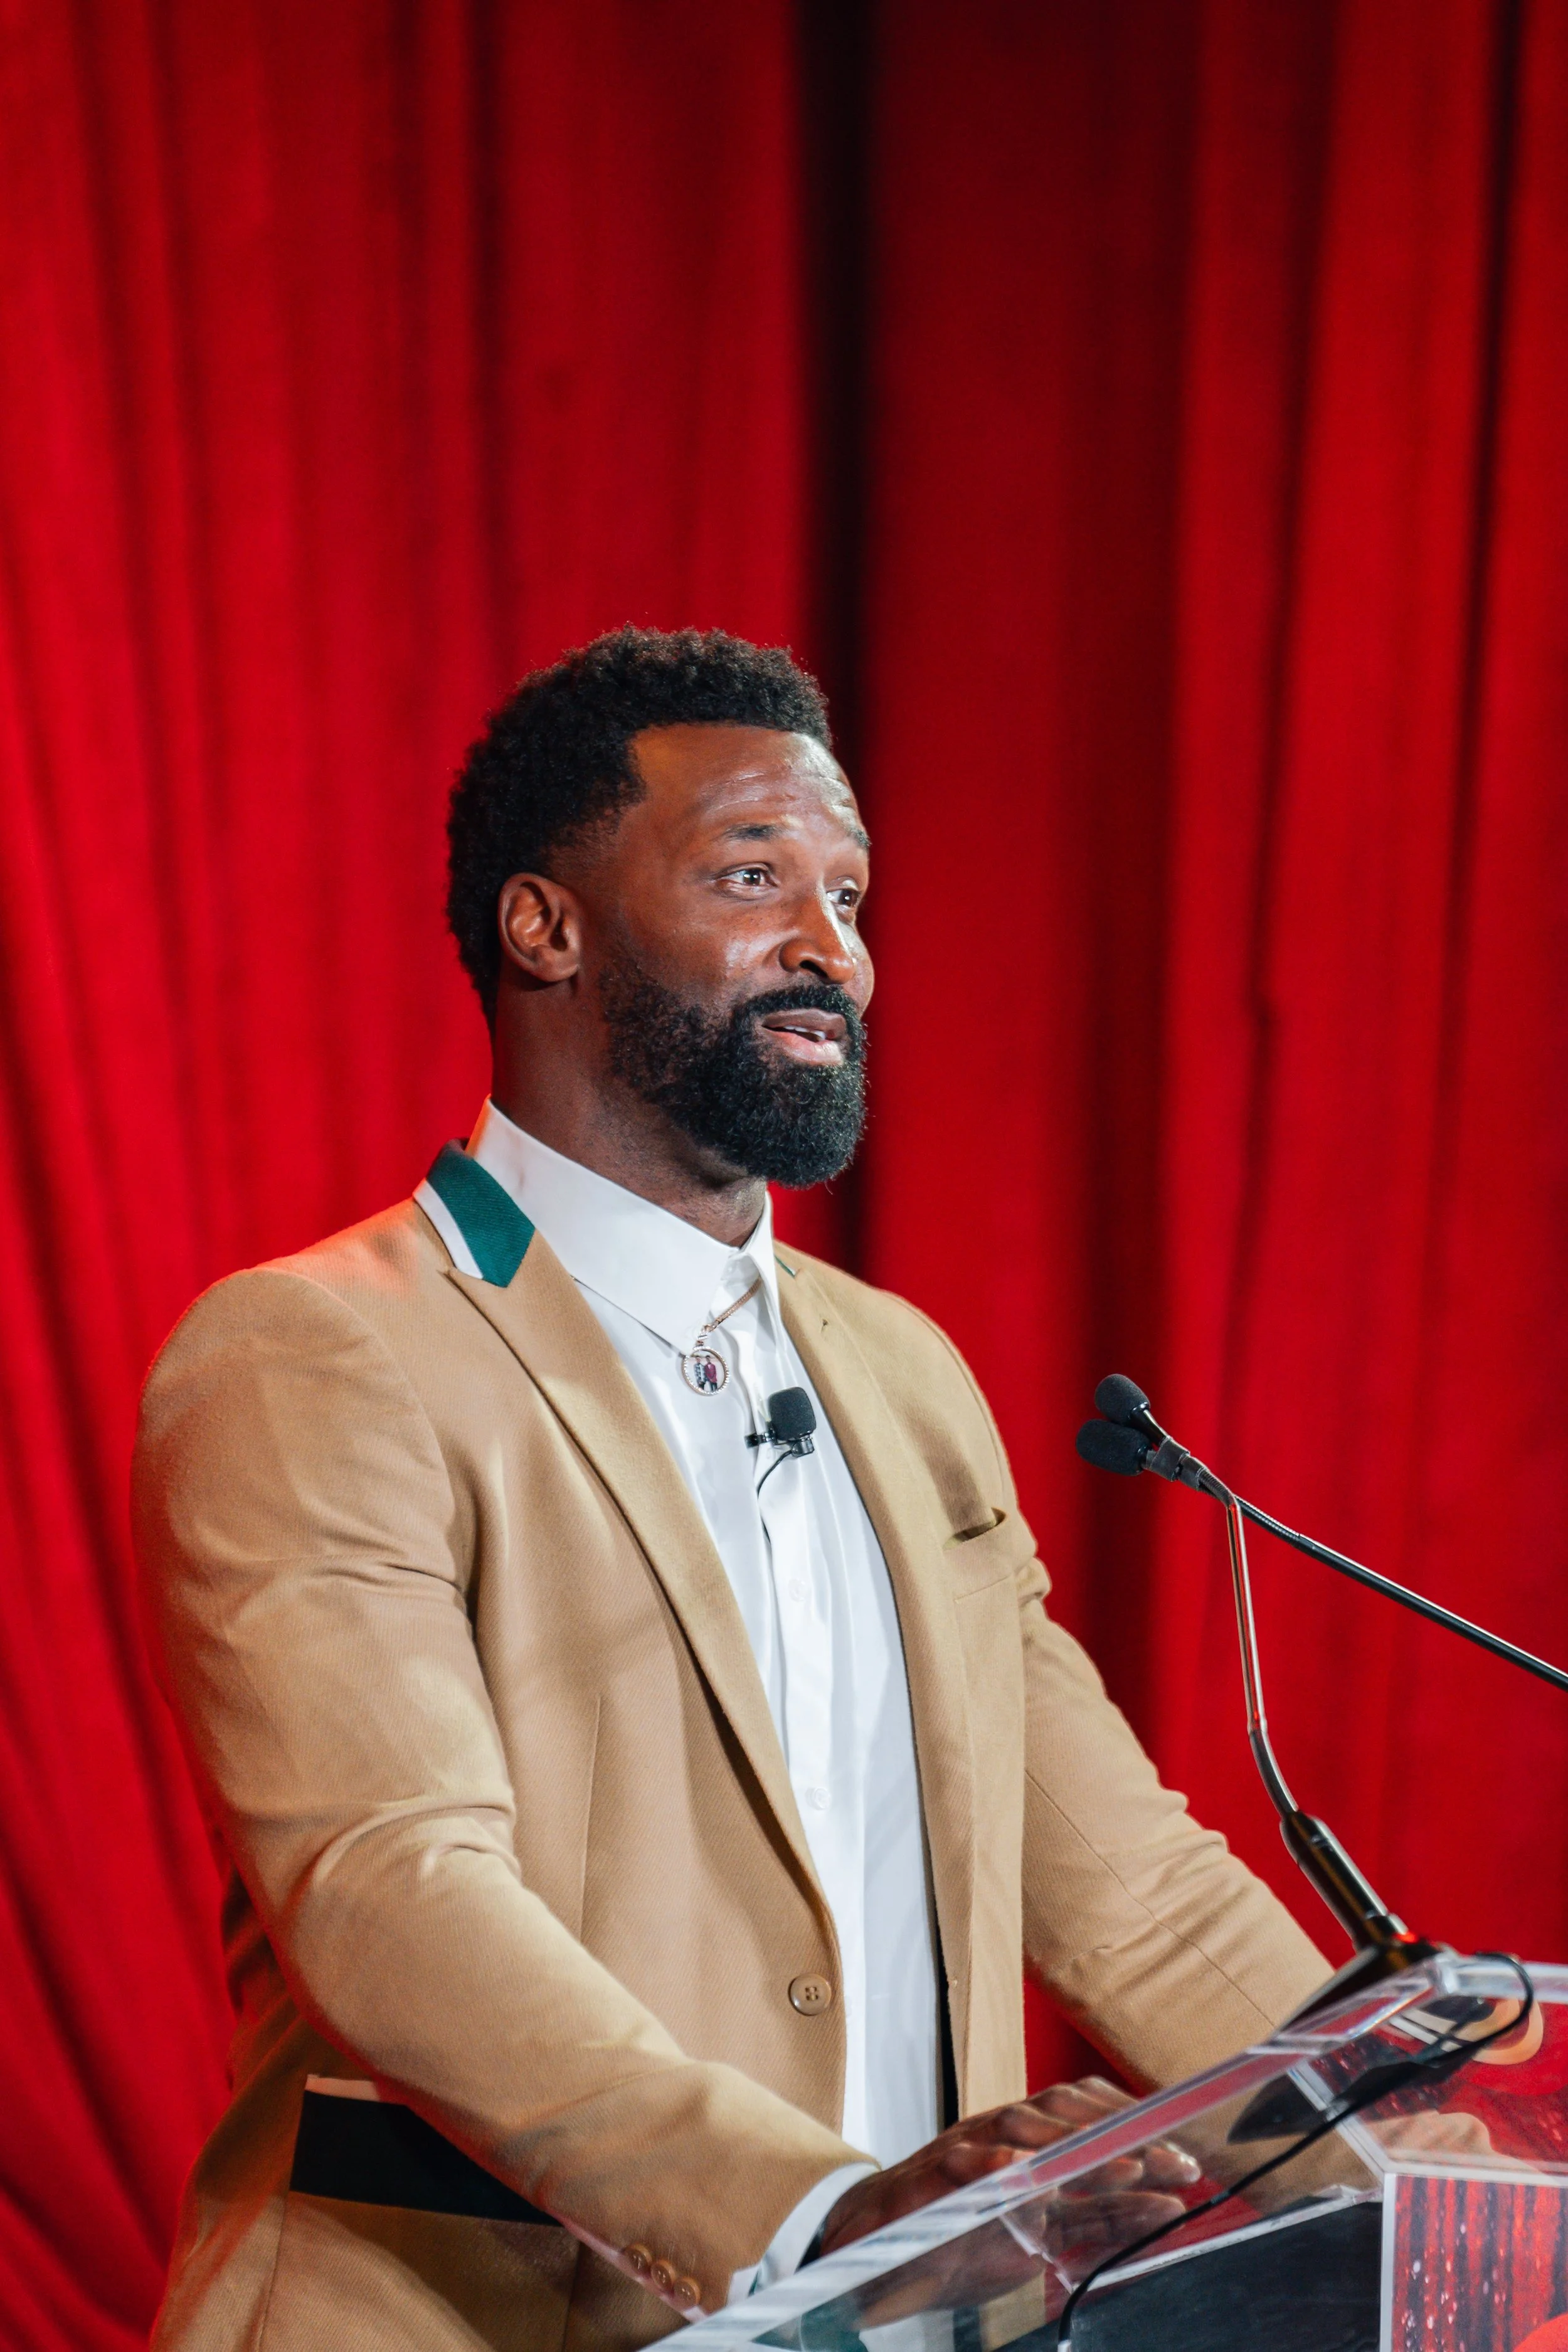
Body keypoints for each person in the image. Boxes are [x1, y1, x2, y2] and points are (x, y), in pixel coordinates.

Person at [134, 627, 1327, 2352]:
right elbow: (391, 1888)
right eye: (753, 876)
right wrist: (821, 2212)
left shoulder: (900, 1371)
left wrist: (1439, 2160)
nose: (830, 948)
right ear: (543, 926)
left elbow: (1131, 1888)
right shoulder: (319, 1351)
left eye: (848, 895)